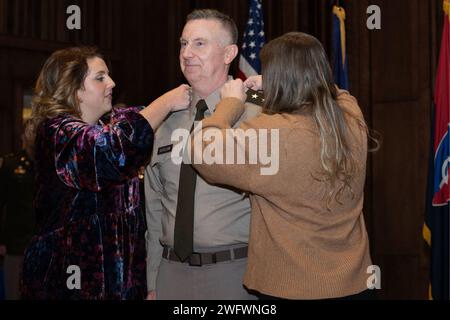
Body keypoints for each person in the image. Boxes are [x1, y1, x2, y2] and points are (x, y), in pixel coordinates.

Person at [191, 32, 376, 300]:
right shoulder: (350, 118)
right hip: (356, 284)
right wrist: (275, 88)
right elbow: (335, 93)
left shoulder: (271, 135)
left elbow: (204, 150)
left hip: (293, 289)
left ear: (278, 78)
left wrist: (230, 104)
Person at [20, 46, 190, 299]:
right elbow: (112, 151)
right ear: (74, 89)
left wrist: (251, 93)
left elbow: (138, 121)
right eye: (100, 77)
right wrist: (165, 102)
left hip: (119, 281)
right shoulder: (57, 133)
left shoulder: (110, 124)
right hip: (68, 281)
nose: (111, 82)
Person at [144, 9, 261, 300]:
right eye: (183, 44)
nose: (187, 53)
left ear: (229, 53)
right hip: (171, 273)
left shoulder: (257, 116)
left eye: (199, 44)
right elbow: (155, 209)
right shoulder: (164, 119)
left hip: (235, 274)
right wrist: (153, 281)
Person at [0, 124, 36, 300]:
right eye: (30, 131)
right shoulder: (10, 164)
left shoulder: (51, 166)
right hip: (15, 245)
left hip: (40, 244)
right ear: (24, 136)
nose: (33, 135)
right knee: (13, 292)